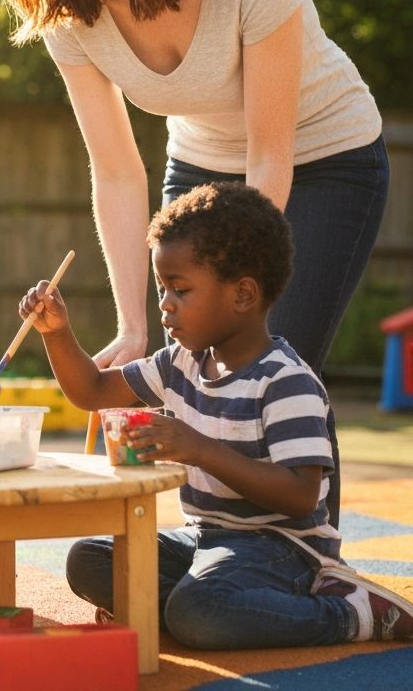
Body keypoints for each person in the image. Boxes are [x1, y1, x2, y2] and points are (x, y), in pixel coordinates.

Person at [0, 0, 389, 527]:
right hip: (204, 163)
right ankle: (219, 546)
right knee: (190, 364)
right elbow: (116, 170)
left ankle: (314, 563)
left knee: (269, 359)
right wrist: (133, 325)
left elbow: (270, 157)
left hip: (324, 159)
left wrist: (239, 303)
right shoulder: (67, 4)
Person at [21, 182, 413, 648]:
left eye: (180, 289)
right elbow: (92, 391)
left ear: (243, 295)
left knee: (201, 609)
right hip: (204, 538)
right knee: (89, 558)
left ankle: (351, 612)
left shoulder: (285, 381)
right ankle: (181, 611)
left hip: (284, 549)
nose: (164, 303)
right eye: (162, 287)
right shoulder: (179, 363)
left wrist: (198, 449)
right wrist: (57, 333)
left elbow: (301, 497)